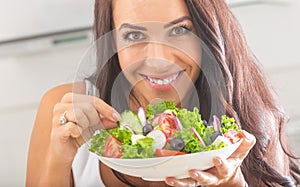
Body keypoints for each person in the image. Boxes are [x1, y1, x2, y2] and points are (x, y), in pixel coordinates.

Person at [26, 0, 300, 187]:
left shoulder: (253, 115)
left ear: (208, 33)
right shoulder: (65, 111)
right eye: (134, 36)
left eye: (179, 30)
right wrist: (58, 161)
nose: (158, 59)